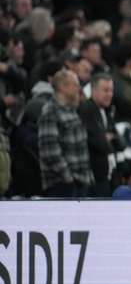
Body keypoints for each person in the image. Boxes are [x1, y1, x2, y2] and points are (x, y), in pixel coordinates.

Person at [38, 69, 94, 198]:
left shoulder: (70, 110)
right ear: (63, 87)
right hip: (62, 184)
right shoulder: (50, 111)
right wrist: (67, 176)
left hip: (80, 181)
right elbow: (50, 150)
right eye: (75, 84)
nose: (79, 88)